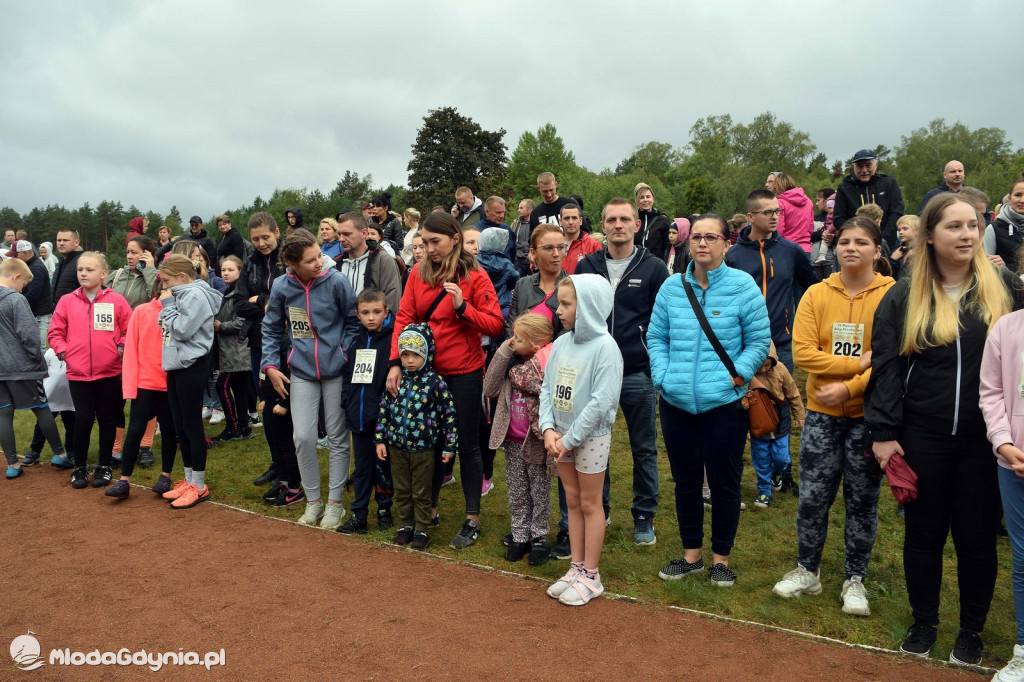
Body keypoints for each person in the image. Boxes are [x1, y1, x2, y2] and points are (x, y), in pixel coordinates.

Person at [865, 193, 1024, 663]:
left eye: (973, 225)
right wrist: (883, 432)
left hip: (987, 439)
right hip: (922, 435)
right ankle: (923, 622)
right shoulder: (902, 294)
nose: (967, 235)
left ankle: (972, 631)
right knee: (924, 533)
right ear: (929, 236)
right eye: (954, 227)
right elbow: (887, 368)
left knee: (976, 537)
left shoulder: (1005, 285)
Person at [772, 216, 894, 616]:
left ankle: (854, 579)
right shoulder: (817, 294)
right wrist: (858, 364)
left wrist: (851, 386)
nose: (851, 248)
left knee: (862, 501)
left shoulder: (892, 295)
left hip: (869, 418)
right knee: (812, 498)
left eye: (861, 242)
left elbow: (890, 360)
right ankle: (808, 569)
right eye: (844, 241)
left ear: (878, 250)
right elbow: (804, 354)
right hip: (822, 415)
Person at [649, 214, 771, 587]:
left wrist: (737, 375)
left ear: (726, 243)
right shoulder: (672, 288)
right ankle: (691, 557)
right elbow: (656, 338)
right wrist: (664, 377)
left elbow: (758, 340)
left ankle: (721, 558)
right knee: (685, 481)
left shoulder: (742, 286)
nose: (702, 243)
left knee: (725, 482)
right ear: (689, 243)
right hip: (676, 402)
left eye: (711, 237)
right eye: (697, 237)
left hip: (725, 404)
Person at [386, 212, 504, 550]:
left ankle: (472, 518)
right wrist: (396, 361)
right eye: (424, 242)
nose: (429, 248)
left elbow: (495, 325)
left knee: (466, 445)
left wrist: (462, 307)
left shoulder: (475, 275)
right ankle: (429, 510)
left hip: (464, 372)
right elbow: (405, 318)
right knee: (430, 443)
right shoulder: (417, 274)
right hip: (425, 374)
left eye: (435, 242)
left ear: (455, 238)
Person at [577, 198, 669, 546]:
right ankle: (599, 508)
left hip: (636, 372)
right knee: (593, 444)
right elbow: (576, 313)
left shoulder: (654, 266)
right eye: (611, 219)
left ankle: (644, 516)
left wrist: (654, 364)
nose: (618, 224)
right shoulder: (587, 264)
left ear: (636, 225)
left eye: (625, 219)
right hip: (595, 373)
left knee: (643, 448)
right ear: (602, 224)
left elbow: (664, 321)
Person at [262, 230, 359, 529]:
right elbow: (271, 328)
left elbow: (354, 322)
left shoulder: (337, 281)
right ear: (292, 263)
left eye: (319, 255)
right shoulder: (282, 287)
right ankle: (313, 502)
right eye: (310, 260)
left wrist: (343, 354)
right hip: (301, 371)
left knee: (337, 437)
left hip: (335, 370)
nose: (319, 263)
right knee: (302, 437)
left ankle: (334, 504)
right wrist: (270, 365)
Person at [540, 275, 623, 605]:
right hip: (561, 437)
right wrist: (548, 429)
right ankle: (576, 567)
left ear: (588, 307)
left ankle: (591, 574)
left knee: (590, 504)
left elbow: (601, 401)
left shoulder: (606, 349)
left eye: (566, 304)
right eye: (559, 303)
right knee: (572, 502)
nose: (558, 310)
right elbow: (547, 388)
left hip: (589, 439)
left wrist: (569, 439)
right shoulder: (561, 343)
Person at [48, 252, 132, 489]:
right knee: (82, 419)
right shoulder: (67, 301)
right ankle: (80, 467)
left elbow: (129, 329)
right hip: (78, 374)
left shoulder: (117, 301)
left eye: (89, 269)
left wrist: (120, 348)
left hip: (109, 373)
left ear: (103, 274)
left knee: (107, 418)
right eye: (80, 269)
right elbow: (55, 333)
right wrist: (65, 353)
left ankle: (104, 466)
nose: (83, 273)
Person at [376, 323, 457, 550]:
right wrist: (381, 439)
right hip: (396, 447)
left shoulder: (435, 383)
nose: (410, 360)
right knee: (402, 489)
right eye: (405, 355)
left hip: (423, 449)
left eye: (416, 355)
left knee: (421, 490)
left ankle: (422, 527)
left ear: (427, 354)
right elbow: (384, 410)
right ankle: (406, 525)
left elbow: (449, 415)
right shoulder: (396, 381)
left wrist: (450, 446)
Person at [484, 313, 554, 565]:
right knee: (517, 491)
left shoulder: (545, 363)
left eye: (518, 338)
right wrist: (503, 350)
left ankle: (539, 538)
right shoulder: (509, 364)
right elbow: (489, 387)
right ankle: (520, 535)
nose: (512, 341)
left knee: (539, 490)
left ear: (537, 343)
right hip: (512, 442)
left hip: (535, 441)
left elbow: (536, 383)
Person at [980, 296, 1024, 681]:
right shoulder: (1007, 328)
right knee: (1023, 560)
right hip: (1013, 465)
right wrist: (1003, 442)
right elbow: (992, 393)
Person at [727, 189, 818, 374]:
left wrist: (801, 323)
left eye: (777, 211)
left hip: (781, 342)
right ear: (750, 216)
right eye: (768, 212)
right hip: (743, 345)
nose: (775, 217)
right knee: (746, 401)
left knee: (782, 400)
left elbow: (813, 288)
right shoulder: (733, 256)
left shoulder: (791, 251)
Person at [156, 254, 222, 509]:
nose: (164, 287)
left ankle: (200, 485)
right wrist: (168, 310)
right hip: (176, 364)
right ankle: (188, 479)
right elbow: (167, 326)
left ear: (182, 277)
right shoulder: (180, 294)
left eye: (167, 281)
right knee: (179, 425)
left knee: (192, 426)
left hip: (191, 365)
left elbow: (182, 329)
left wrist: (167, 307)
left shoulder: (194, 295)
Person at [104, 276, 179, 499]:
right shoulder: (142, 311)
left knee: (168, 431)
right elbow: (131, 352)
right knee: (135, 430)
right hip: (145, 383)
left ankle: (166, 476)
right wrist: (130, 387)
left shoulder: (181, 314)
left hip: (170, 384)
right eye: (164, 286)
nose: (167, 291)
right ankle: (124, 480)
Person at [0, 258, 66, 479]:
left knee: (3, 413)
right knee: (42, 407)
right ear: (16, 277)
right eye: (24, 283)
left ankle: (12, 463)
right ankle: (60, 453)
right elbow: (29, 334)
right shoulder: (16, 300)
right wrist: (36, 357)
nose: (24, 288)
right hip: (23, 367)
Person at [236, 213, 289, 487]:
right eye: (255, 239)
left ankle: (290, 469)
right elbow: (239, 304)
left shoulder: (288, 258)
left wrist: (266, 299)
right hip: (259, 343)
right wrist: (265, 304)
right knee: (266, 406)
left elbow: (290, 300)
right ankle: (276, 464)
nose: (261, 243)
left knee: (285, 407)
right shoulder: (250, 263)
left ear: (277, 232)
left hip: (288, 344)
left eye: (266, 237)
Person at [338, 289, 396, 534]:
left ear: (386, 312)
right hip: (358, 416)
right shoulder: (355, 342)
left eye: (376, 312)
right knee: (361, 468)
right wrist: (346, 401)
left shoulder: (392, 342)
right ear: (357, 314)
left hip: (382, 418)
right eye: (365, 312)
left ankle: (384, 509)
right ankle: (359, 514)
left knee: (383, 467)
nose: (371, 317)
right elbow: (347, 376)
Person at [748, 342, 804, 508]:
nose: (763, 370)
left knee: (782, 458)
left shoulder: (781, 369)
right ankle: (764, 492)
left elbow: (793, 393)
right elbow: (742, 403)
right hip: (758, 425)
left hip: (781, 424)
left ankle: (777, 474)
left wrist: (800, 415)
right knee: (762, 459)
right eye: (760, 365)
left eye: (767, 365)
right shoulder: (748, 373)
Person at [210, 255, 254, 443]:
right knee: (240, 388)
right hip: (233, 350)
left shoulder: (238, 294)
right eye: (223, 270)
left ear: (240, 271)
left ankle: (233, 427)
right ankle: (243, 428)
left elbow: (242, 321)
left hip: (237, 350)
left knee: (222, 385)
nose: (226, 273)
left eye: (230, 270)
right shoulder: (228, 292)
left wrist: (221, 326)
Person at [504, 225, 569, 343]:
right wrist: (516, 357)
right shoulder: (523, 285)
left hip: (555, 359)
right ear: (533, 253)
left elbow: (568, 334)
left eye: (560, 247)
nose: (556, 253)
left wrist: (539, 359)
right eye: (549, 248)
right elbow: (510, 329)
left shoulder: (574, 287)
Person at [833, 149, 905, 248]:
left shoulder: (889, 184)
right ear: (853, 167)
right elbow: (838, 218)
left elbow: (896, 212)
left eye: (868, 165)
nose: (864, 170)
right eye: (859, 166)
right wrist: (857, 236)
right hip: (855, 244)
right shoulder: (845, 188)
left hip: (887, 243)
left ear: (876, 165)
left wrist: (882, 238)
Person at [335, 212, 402, 315]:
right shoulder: (335, 264)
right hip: (342, 329)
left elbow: (391, 303)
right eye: (339, 234)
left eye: (347, 234)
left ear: (364, 233)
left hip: (374, 329)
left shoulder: (383, 261)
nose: (341, 239)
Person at [10, 240, 52, 345]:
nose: (15, 258)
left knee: (39, 346)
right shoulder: (29, 266)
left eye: (16, 255)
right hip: (35, 312)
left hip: (40, 315)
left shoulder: (36, 268)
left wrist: (18, 304)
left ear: (25, 252)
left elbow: (33, 295)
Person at [476, 227, 520, 319]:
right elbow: (514, 279)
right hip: (501, 303)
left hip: (480, 304)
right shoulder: (506, 263)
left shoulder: (475, 261)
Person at [105, 235, 158, 309]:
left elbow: (156, 299)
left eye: (133, 252)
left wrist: (149, 271)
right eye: (128, 252)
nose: (129, 256)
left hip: (140, 320)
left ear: (147, 255)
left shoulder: (157, 277)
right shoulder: (117, 275)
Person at [984, 178, 1024, 274]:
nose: (1022, 200)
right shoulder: (993, 229)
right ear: (1009, 199)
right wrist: (1003, 268)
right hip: (1005, 287)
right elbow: (984, 267)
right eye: (1018, 195)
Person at [773, 172, 814, 254]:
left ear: (778, 186)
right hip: (805, 249)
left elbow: (779, 229)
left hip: (787, 248)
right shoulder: (808, 202)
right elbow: (810, 227)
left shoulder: (780, 203)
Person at [634, 182, 673, 261]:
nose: (645, 200)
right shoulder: (631, 220)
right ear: (637, 200)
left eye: (648, 197)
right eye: (641, 197)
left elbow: (668, 247)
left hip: (656, 266)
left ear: (653, 199)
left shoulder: (662, 220)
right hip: (635, 265)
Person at [561, 202, 602, 275]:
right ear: (560, 221)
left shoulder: (593, 245)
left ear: (580, 221)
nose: (570, 222)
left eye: (574, 218)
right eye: (566, 218)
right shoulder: (554, 245)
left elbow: (600, 275)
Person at [473, 196, 516, 261]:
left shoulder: (507, 230)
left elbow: (513, 253)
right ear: (487, 212)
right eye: (498, 212)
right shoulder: (475, 230)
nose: (502, 216)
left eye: (503, 212)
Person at [51, 228, 83, 306]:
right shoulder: (62, 262)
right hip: (60, 313)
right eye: (59, 240)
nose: (61, 243)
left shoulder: (82, 262)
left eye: (65, 240)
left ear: (76, 242)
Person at [510, 199, 535, 276]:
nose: (518, 210)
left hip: (533, 261)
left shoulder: (536, 224)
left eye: (521, 208)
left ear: (530, 210)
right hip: (518, 261)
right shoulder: (515, 224)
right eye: (518, 208)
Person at [889, 215, 919, 279]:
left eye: (905, 229)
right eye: (899, 230)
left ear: (917, 230)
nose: (901, 232)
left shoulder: (923, 251)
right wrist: (892, 260)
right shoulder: (899, 251)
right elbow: (889, 275)